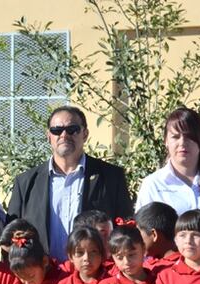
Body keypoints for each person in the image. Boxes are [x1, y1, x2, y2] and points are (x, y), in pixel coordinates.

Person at [7, 106, 133, 261]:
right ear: (49, 136)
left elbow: (125, 230)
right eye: (57, 130)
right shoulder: (25, 182)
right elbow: (12, 237)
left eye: (72, 129)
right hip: (43, 278)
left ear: (85, 134)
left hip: (95, 277)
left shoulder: (111, 177)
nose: (64, 135)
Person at [136, 107, 200, 223]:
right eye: (175, 137)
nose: (182, 143)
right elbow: (143, 232)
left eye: (189, 137)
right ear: (166, 141)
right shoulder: (153, 184)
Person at [135, 202, 180, 269]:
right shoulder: (188, 260)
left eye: (138, 233)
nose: (135, 239)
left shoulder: (157, 269)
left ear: (154, 235)